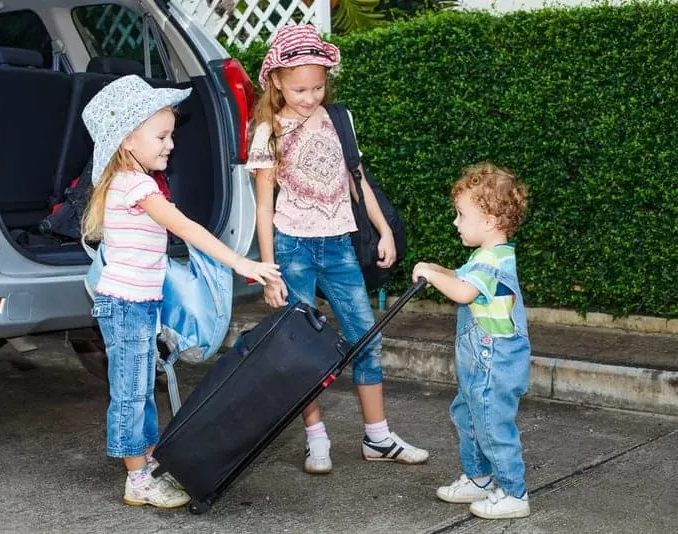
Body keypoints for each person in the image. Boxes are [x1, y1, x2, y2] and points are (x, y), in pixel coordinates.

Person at [81, 75, 281, 508]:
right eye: (162, 135)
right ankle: (137, 478)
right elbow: (186, 228)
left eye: (170, 134)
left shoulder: (132, 182)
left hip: (135, 305)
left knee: (138, 388)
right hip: (127, 306)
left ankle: (146, 462)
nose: (170, 144)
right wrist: (241, 262)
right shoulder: (137, 186)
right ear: (128, 139)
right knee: (131, 393)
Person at [247, 24, 429, 475]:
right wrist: (268, 269)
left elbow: (357, 179)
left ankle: (378, 437)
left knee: (366, 338)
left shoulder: (338, 119)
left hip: (339, 246)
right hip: (292, 248)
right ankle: (316, 439)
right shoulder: (268, 130)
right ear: (276, 82)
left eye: (318, 86)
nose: (310, 97)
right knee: (303, 348)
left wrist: (384, 230)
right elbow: (263, 205)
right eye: (299, 88)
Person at [412, 162, 531, 519]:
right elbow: (461, 277)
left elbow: (463, 292)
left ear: (491, 220)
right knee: (468, 415)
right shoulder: (483, 257)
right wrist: (435, 269)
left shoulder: (495, 264)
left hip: (496, 364)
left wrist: (434, 277)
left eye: (461, 215)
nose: (456, 223)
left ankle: (514, 492)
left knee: (493, 424)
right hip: (479, 364)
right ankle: (479, 478)